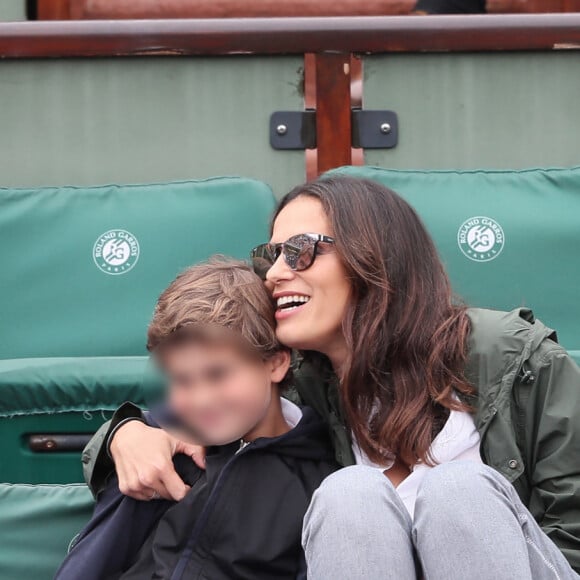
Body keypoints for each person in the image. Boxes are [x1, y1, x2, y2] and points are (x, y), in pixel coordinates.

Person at [83, 176, 580, 578]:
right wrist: (123, 434)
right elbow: (195, 413)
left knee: (459, 489)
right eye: (270, 255)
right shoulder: (299, 384)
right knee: (351, 493)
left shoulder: (516, 356)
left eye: (300, 250)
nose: (275, 273)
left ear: (377, 254)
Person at [56, 258, 338, 580]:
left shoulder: (320, 484)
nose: (202, 399)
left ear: (275, 364)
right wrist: (123, 431)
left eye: (218, 374)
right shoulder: (161, 448)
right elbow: (93, 559)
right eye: (183, 380)